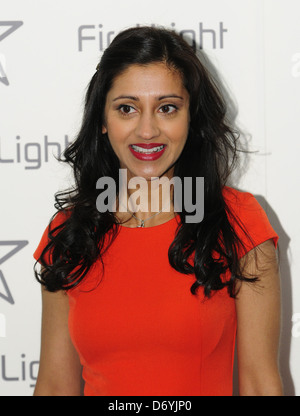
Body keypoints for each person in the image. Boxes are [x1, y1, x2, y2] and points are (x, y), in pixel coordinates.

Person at [33, 26, 283, 396]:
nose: (147, 130)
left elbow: (260, 385)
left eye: (167, 108)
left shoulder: (238, 221)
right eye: (126, 108)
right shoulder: (71, 232)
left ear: (191, 118)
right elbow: (54, 387)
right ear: (103, 121)